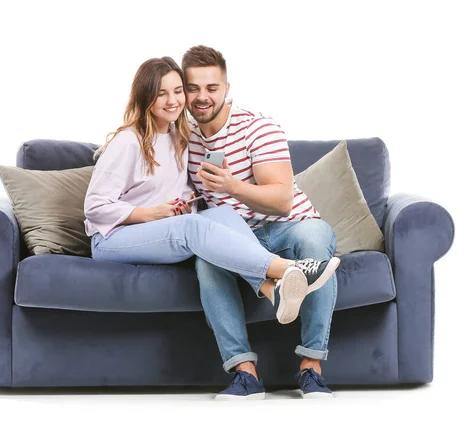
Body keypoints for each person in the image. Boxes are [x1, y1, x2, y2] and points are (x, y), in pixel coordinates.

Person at [83, 57, 336, 343]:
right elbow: (95, 208)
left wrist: (182, 204)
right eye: (161, 93)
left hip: (155, 229)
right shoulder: (128, 141)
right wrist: (151, 214)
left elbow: (171, 191)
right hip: (112, 238)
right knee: (191, 226)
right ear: (146, 97)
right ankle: (288, 269)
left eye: (178, 91)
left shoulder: (180, 137)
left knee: (225, 216)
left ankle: (271, 290)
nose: (173, 100)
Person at [181, 45, 341, 399]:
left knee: (315, 241)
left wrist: (231, 185)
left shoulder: (257, 127)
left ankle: (311, 368)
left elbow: (283, 200)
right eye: (193, 88)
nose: (202, 97)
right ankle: (245, 373)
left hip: (291, 226)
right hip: (238, 237)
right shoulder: (184, 138)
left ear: (226, 88)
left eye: (211, 88)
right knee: (207, 259)